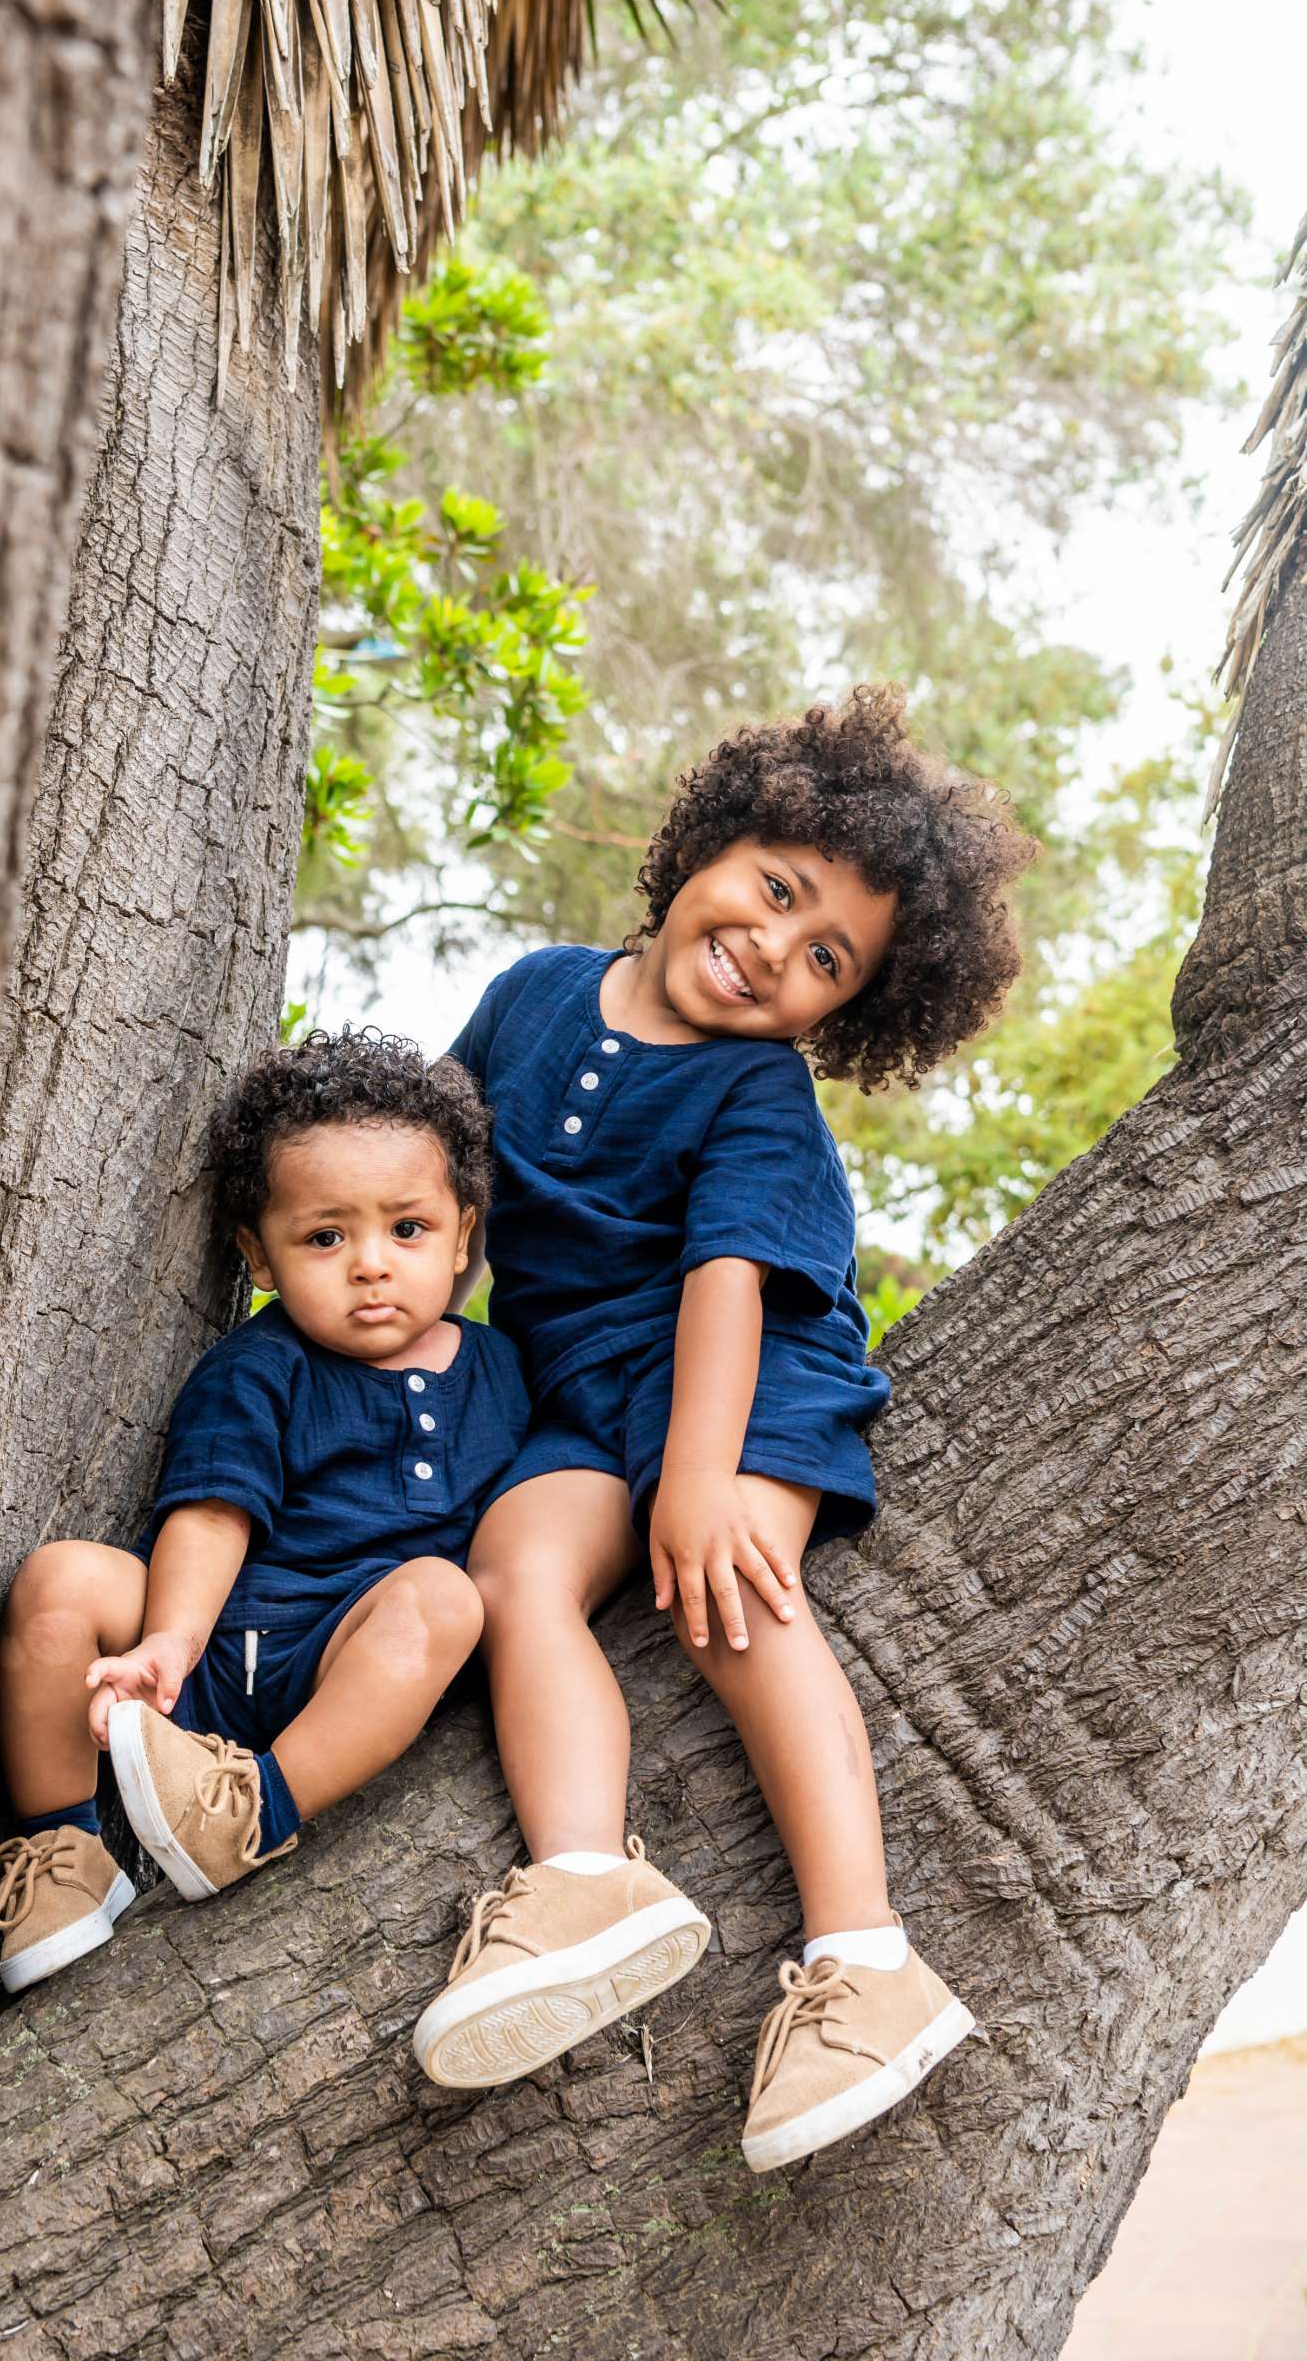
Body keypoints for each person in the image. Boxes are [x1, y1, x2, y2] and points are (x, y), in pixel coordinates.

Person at [412, 685, 1035, 2170]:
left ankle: (866, 1960)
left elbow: (727, 1287)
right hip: (579, 1393)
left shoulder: (757, 1086)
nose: (773, 947)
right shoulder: (534, 990)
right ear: (706, 843)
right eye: (776, 890)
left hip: (745, 1383)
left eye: (827, 957)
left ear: (848, 1014)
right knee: (515, 1571)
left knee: (732, 1598)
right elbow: (440, 1183)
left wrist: (699, 1478)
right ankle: (581, 1876)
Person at [0, 1030, 528, 1993]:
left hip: (348, 1675)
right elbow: (214, 1513)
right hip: (203, 1660)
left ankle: (253, 1809)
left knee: (440, 1595)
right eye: (324, 1237)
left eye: (408, 1229)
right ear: (258, 1256)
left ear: (463, 1234)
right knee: (62, 1578)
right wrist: (170, 1645)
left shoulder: (506, 1377)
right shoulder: (261, 1367)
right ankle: (63, 1851)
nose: (371, 1266)